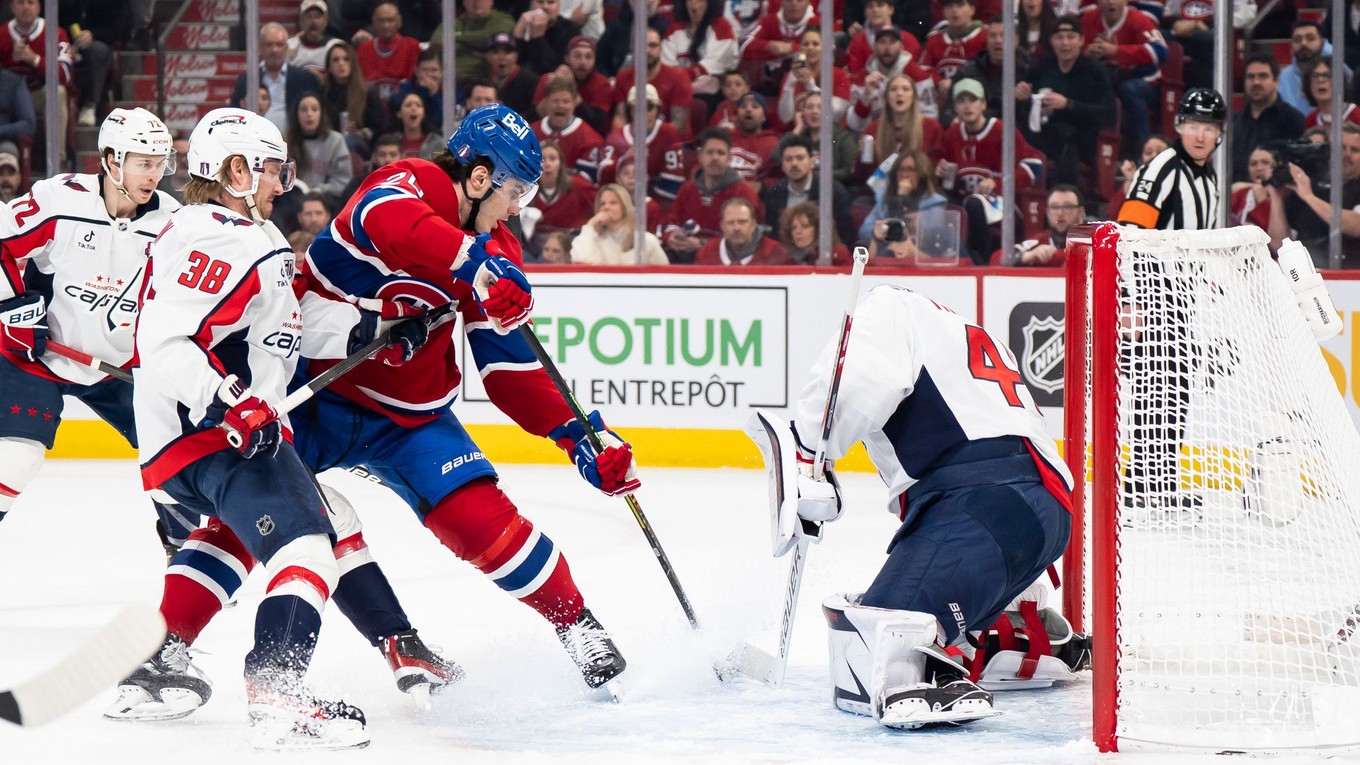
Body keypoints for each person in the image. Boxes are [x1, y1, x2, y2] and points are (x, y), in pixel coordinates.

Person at [300, 103, 636, 691]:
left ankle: (577, 624)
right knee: (266, 512)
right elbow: (388, 220)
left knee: (483, 523)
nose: (516, 210)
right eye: (515, 193)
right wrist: (475, 263)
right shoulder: (410, 181)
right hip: (311, 393)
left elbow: (508, 368)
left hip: (407, 416)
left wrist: (580, 435)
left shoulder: (499, 248)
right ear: (478, 178)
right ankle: (171, 644)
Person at [128, 107, 373, 749]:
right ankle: (278, 689)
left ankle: (156, 664)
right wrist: (228, 399)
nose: (278, 184)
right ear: (237, 171)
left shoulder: (197, 228)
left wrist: (371, 330)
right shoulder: (233, 236)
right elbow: (165, 342)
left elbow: (270, 333)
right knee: (308, 546)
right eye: (268, 170)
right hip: (218, 434)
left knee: (225, 540)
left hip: (183, 441)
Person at [756, 283, 1072, 729]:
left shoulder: (885, 308)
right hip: (1042, 512)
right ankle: (1006, 630)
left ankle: (941, 661)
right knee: (904, 617)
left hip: (979, 505)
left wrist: (809, 450)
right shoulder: (959, 326)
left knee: (881, 639)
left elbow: (857, 381)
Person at [0, 109, 177, 535]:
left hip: (121, 368)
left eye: (160, 163)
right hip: (38, 353)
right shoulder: (60, 200)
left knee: (177, 460)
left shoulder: (174, 224)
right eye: (144, 163)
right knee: (18, 457)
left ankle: (187, 548)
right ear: (112, 159)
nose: (154, 174)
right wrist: (11, 311)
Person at [1015, 15, 1116, 193]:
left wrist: (1068, 104)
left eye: (1071, 37)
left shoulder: (1095, 71)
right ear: (1052, 41)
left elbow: (1108, 113)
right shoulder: (1040, 68)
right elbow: (1026, 108)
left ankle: (1067, 200)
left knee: (1065, 137)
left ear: (1081, 40)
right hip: (1043, 133)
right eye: (1060, 38)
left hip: (1083, 137)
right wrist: (1021, 98)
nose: (1065, 43)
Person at [1118, 87, 1224, 230]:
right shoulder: (1160, 170)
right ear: (1179, 127)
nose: (1200, 137)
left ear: (1219, 134)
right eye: (1193, 127)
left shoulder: (1210, 175)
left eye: (1209, 129)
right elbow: (1130, 233)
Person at [1081, 0, 1168, 158]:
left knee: (1129, 90)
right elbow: (1077, 50)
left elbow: (1161, 51)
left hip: (1144, 81)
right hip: (1107, 79)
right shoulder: (1089, 18)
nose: (1110, 2)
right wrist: (1086, 54)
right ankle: (1098, 158)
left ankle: (1142, 154)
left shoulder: (1138, 19)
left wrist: (1116, 50)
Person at [663, 128, 762, 263]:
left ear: (729, 158)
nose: (715, 157)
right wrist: (672, 236)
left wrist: (703, 244)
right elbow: (671, 221)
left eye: (720, 153)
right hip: (684, 256)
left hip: (722, 261)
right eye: (710, 152)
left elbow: (746, 235)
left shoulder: (743, 192)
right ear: (700, 156)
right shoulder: (687, 188)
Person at [1268, 122, 1360, 264]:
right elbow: (1278, 244)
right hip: (1307, 272)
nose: (1346, 154)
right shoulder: (1311, 184)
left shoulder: (1308, 191)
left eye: (1354, 150)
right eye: (1341, 148)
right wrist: (1276, 197)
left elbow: (1356, 226)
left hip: (1348, 276)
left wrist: (1309, 197)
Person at [0, 0, 72, 173]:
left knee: (57, 92)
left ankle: (58, 162)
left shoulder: (56, 32)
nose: (26, 7)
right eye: (20, 2)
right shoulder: (2, 33)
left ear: (39, 7)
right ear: (12, 7)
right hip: (9, 100)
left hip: (37, 94)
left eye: (31, 2)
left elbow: (65, 74)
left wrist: (34, 59)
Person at [761, 134, 854, 246]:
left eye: (800, 158)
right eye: (788, 159)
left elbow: (844, 235)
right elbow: (773, 236)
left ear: (812, 162)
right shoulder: (774, 193)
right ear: (782, 165)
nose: (794, 164)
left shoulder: (833, 191)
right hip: (785, 257)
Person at [1230, 52, 1305, 184]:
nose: (1256, 82)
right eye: (1250, 77)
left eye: (1263, 76)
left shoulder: (1293, 120)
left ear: (1276, 81)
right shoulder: (1234, 122)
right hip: (1236, 197)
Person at [611, 27, 694, 138]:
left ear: (661, 49)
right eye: (642, 45)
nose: (647, 50)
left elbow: (678, 126)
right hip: (633, 142)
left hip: (670, 144)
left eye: (653, 45)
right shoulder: (623, 76)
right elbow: (620, 118)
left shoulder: (678, 77)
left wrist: (649, 142)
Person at [858, 149, 948, 247]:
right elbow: (864, 231)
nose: (905, 174)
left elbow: (927, 235)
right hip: (884, 255)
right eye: (901, 169)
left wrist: (902, 197)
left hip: (917, 255)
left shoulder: (935, 202)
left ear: (922, 174)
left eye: (911, 170)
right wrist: (889, 232)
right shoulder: (883, 198)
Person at [571, 183, 670, 265]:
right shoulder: (593, 239)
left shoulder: (645, 240)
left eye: (613, 203)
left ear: (624, 207)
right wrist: (590, 226)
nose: (606, 207)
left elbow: (665, 274)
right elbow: (580, 260)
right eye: (602, 204)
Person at [285, 92, 353, 212]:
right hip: (295, 199)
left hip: (327, 199)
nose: (309, 114)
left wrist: (319, 191)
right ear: (296, 114)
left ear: (322, 113)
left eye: (314, 109)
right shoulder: (286, 141)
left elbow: (342, 181)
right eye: (304, 110)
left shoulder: (336, 140)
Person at [320, 41, 388, 154]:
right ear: (329, 66)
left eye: (346, 59)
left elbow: (378, 130)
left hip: (361, 146)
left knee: (348, 141)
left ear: (353, 63)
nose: (341, 63)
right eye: (335, 60)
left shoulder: (368, 92)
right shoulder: (323, 93)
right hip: (330, 144)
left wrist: (359, 132)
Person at [532, 77, 605, 183]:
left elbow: (585, 183)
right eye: (555, 101)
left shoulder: (590, 139)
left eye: (566, 101)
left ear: (575, 103)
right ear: (546, 102)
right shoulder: (530, 133)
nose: (560, 105)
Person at [665, 0, 739, 94]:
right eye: (690, 0)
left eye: (700, 0)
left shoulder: (722, 26)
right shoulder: (674, 30)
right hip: (677, 90)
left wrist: (681, 77)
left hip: (713, 94)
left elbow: (713, 65)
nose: (694, 4)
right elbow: (666, 68)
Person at [1001, 184, 1085, 266]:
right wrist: (1025, 256)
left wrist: (1053, 256)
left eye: (1067, 207)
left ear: (1080, 212)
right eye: (1054, 207)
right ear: (1047, 213)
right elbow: (997, 258)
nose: (1060, 213)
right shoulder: (1040, 240)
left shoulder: (1092, 241)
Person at [694, 196, 785, 265]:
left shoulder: (776, 251)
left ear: (753, 224)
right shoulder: (706, 252)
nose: (736, 228)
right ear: (722, 226)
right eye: (730, 223)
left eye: (742, 222)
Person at [356, 2, 421, 90]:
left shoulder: (412, 46)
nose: (385, 25)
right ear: (374, 22)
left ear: (399, 22)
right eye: (381, 20)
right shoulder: (364, 49)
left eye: (390, 20)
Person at [514, 0, 583, 77]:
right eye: (540, 2)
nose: (545, 7)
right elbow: (514, 64)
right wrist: (517, 36)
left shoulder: (570, 30)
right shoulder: (524, 24)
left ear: (558, 6)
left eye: (550, 2)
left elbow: (554, 69)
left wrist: (537, 38)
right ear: (531, 5)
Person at [483, 32, 540, 122]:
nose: (501, 57)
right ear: (487, 56)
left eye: (508, 52)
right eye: (495, 52)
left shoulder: (531, 81)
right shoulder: (482, 80)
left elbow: (533, 114)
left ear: (516, 56)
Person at [778, 201, 850, 266]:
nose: (798, 231)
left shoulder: (838, 254)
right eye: (794, 228)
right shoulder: (787, 259)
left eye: (805, 226)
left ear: (818, 228)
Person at [1300, 58, 1360, 130]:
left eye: (1327, 76)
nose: (1320, 80)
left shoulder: (1357, 115)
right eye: (1315, 76)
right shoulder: (1311, 120)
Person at [1231, 146, 1279, 232]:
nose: (1258, 168)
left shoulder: (1287, 196)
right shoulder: (1240, 194)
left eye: (1265, 162)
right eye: (1253, 164)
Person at [287, 0, 341, 77]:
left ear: (326, 21)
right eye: (309, 16)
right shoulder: (288, 46)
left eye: (318, 16)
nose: (313, 21)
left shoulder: (337, 46)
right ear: (300, 20)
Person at [393, 91, 444, 159]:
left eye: (418, 105)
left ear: (423, 114)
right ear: (399, 113)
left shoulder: (436, 143)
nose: (414, 108)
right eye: (408, 105)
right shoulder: (392, 141)